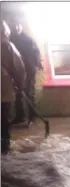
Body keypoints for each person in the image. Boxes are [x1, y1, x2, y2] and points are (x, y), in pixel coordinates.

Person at [9, 18, 42, 125]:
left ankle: (33, 117)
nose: (15, 28)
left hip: (29, 71)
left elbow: (34, 57)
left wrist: (30, 72)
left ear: (21, 26)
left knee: (30, 93)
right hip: (16, 72)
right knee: (18, 94)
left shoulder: (28, 40)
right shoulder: (11, 40)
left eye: (17, 25)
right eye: (13, 26)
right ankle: (20, 117)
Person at [1, 20, 26, 154]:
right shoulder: (8, 46)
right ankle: (4, 145)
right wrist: (21, 86)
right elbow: (19, 68)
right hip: (4, 88)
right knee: (4, 116)